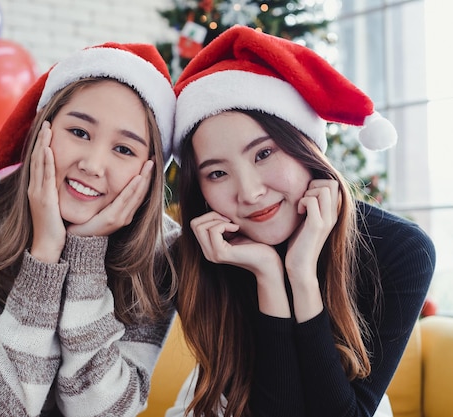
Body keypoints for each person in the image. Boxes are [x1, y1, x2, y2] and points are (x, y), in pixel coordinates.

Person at [0, 42, 180, 417]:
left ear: (150, 170)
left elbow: (101, 412)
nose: (93, 164)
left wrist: (85, 256)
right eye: (79, 132)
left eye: (124, 150)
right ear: (41, 131)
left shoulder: (161, 251)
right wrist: (44, 257)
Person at [166, 26, 435, 417]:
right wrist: (269, 278)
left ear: (304, 148)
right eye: (217, 174)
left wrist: (301, 275)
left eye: (263, 154)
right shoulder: (205, 253)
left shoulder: (397, 248)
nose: (250, 192)